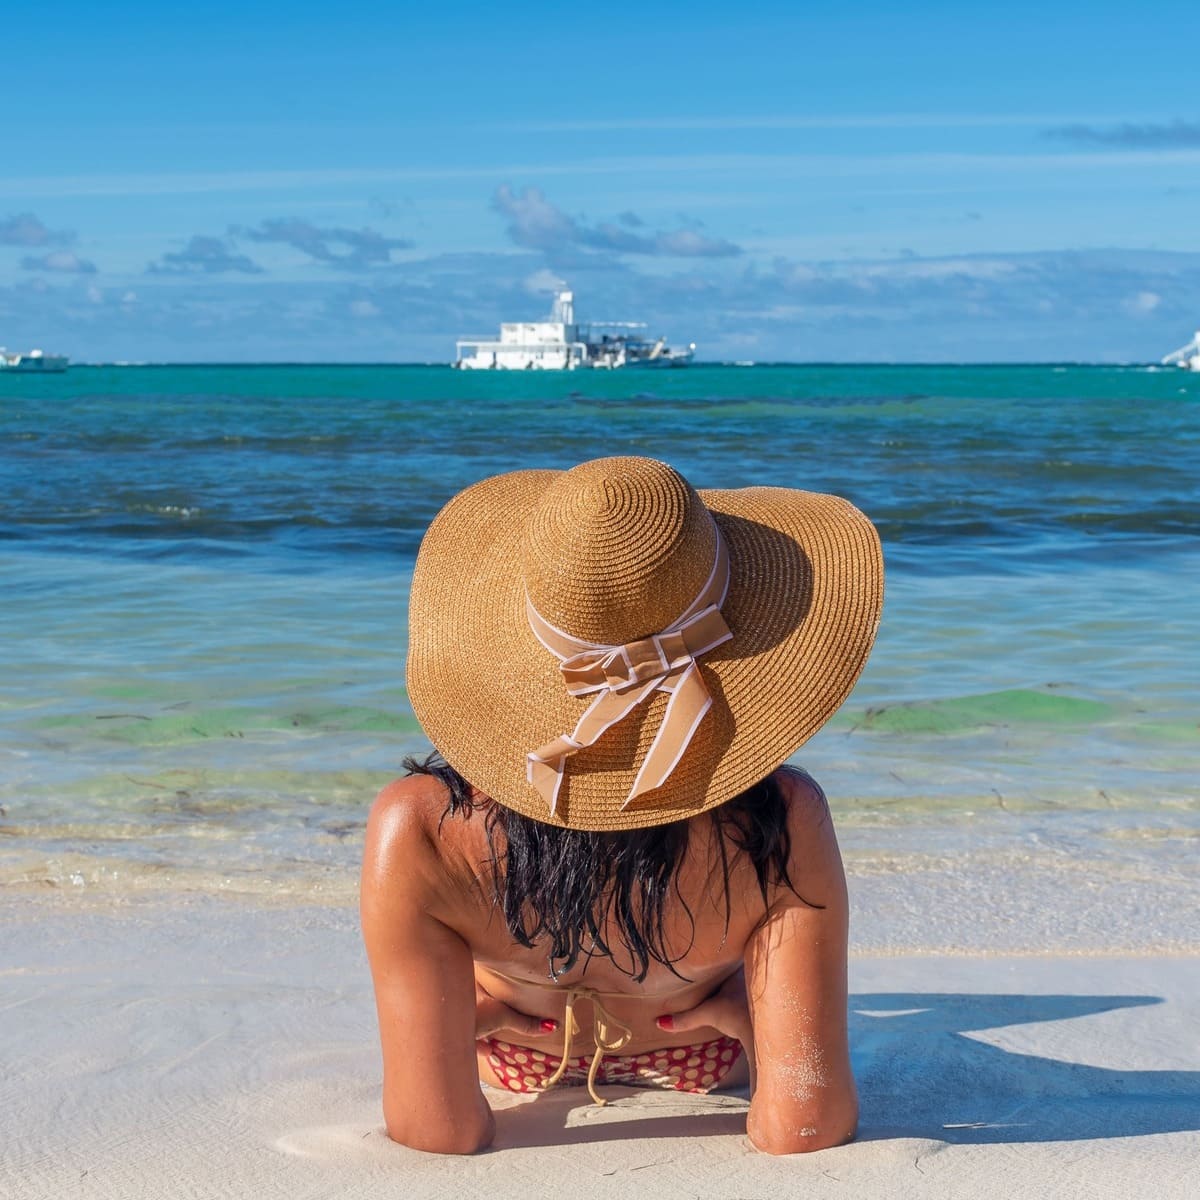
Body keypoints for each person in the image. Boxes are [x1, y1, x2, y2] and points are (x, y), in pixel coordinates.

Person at [361, 455, 883, 1155]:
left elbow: (438, 1132)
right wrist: (758, 1027)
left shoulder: (420, 828)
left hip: (518, 1054)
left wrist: (457, 1029)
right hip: (704, 1051)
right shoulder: (781, 818)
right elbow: (804, 1128)